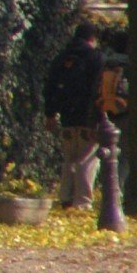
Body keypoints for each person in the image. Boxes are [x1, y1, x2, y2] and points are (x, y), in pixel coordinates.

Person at [43, 22, 106, 209]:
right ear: (92, 38)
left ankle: (65, 197)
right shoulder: (96, 58)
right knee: (87, 158)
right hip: (89, 117)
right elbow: (99, 89)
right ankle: (83, 201)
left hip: (67, 117)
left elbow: (50, 87)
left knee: (69, 157)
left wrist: (50, 114)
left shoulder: (62, 58)